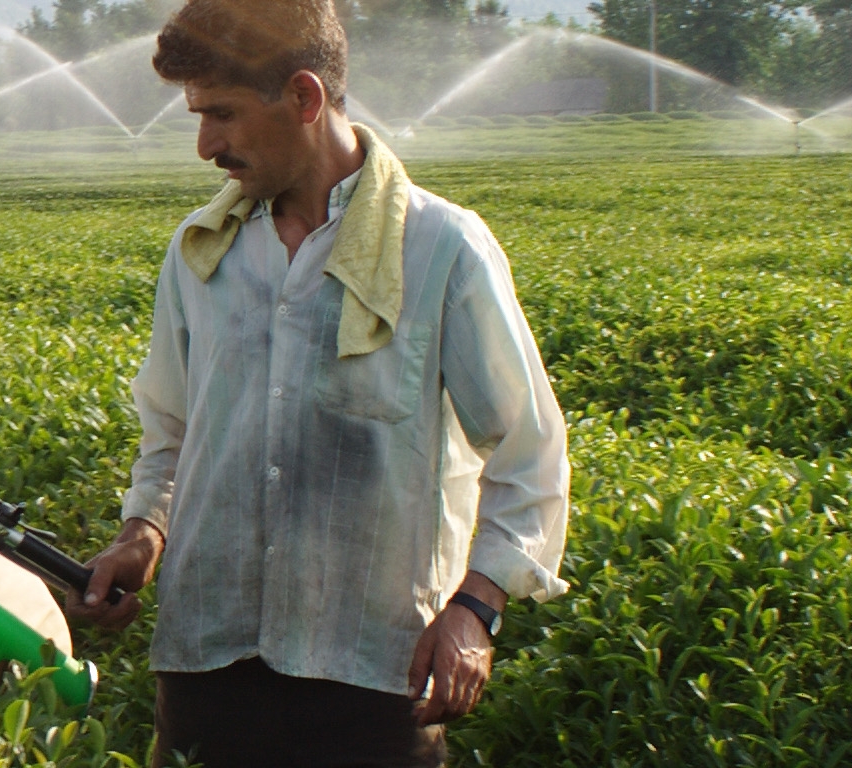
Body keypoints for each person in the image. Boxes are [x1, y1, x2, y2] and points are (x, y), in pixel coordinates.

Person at [65, 0, 571, 765]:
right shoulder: (201, 252)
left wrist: (474, 609)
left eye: (224, 115)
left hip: (371, 676)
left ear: (304, 98)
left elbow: (528, 454)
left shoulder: (441, 249)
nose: (206, 145)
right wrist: (144, 533)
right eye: (198, 116)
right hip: (207, 660)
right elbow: (172, 428)